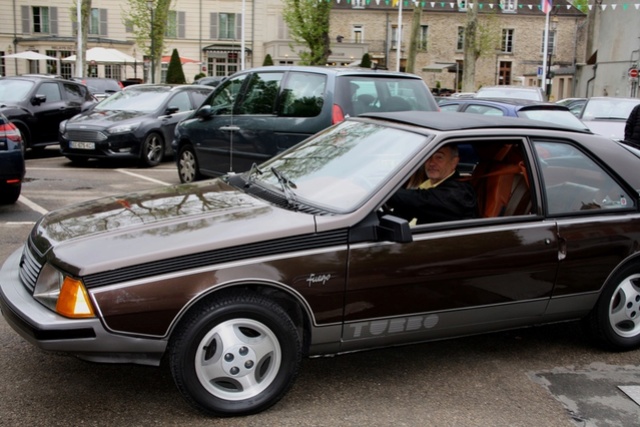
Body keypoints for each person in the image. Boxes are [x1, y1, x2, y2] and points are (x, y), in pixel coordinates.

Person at [387, 145, 478, 224]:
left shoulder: (459, 192)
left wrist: (381, 192)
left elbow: (420, 200)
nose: (431, 163)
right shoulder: (426, 185)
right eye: (428, 157)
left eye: (439, 157)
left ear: (454, 162)